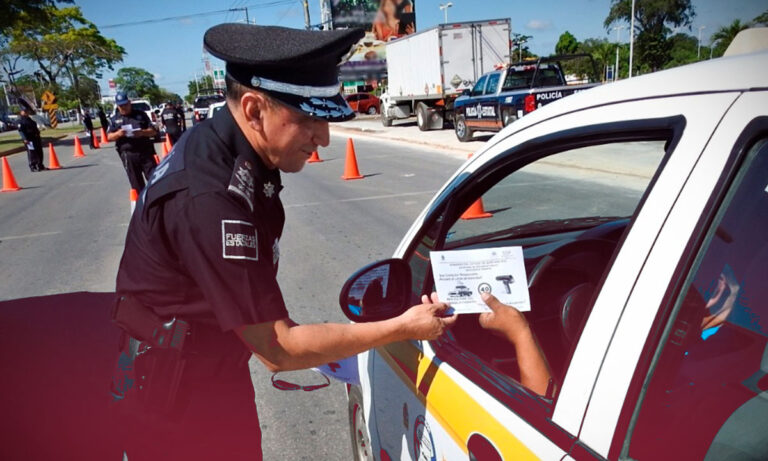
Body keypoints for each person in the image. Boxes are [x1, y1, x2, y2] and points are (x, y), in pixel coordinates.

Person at [110, 23, 456, 460]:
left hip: (204, 371)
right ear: (254, 109)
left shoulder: (234, 150)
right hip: (180, 403)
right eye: (309, 119)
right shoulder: (209, 197)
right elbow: (277, 348)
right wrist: (402, 327)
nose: (323, 139)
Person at [106, 92, 157, 191]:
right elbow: (109, 137)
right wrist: (118, 134)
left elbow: (153, 131)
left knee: (154, 180)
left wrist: (142, 132)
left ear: (129, 103)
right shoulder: (114, 119)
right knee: (136, 185)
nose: (124, 107)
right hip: (128, 155)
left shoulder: (141, 115)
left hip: (145, 152)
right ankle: (142, 205)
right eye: (121, 106)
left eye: (125, 104)